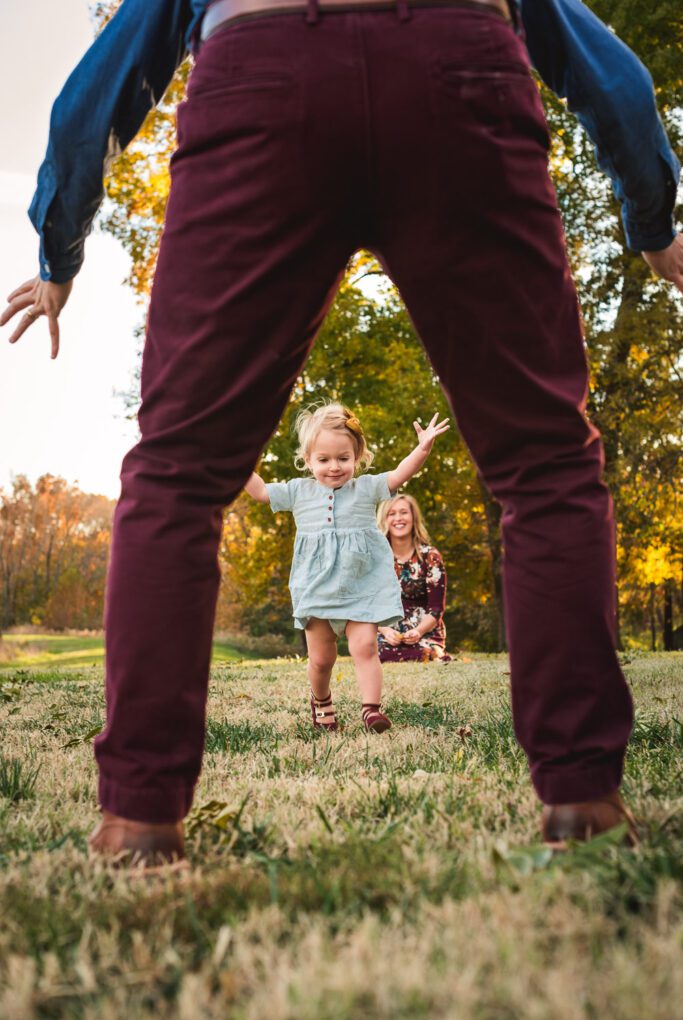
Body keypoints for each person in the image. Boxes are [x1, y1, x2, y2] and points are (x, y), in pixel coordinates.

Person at [2, 0, 682, 861]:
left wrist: (59, 248)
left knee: (177, 473)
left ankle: (138, 820)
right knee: (544, 464)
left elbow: (89, 97)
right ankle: (584, 805)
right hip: (457, 67)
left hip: (261, 76)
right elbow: (612, 76)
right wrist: (652, 220)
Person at [244, 404, 449, 731]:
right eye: (323, 459)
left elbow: (401, 473)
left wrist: (422, 448)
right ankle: (322, 702)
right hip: (317, 588)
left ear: (358, 457)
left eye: (343, 458)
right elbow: (258, 491)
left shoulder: (366, 488)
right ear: (308, 460)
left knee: (365, 647)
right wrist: (235, 459)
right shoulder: (298, 491)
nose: (334, 467)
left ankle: (371, 709)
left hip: (361, 586)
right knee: (322, 660)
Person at [377, 494, 452, 663]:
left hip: (424, 629)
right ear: (384, 519)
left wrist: (418, 631)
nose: (398, 518)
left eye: (404, 512)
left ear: (413, 517)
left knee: (424, 653)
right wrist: (385, 630)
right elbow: (367, 604)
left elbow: (436, 609)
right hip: (387, 630)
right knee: (373, 652)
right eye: (392, 513)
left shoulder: (431, 557)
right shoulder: (375, 558)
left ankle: (433, 651)